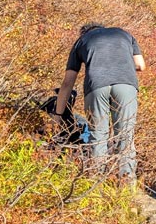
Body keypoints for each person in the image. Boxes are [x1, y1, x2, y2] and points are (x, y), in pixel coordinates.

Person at [54, 22, 145, 182]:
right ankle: (127, 185)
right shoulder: (124, 34)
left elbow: (68, 83)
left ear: (84, 33)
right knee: (125, 136)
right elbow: (140, 65)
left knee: (97, 136)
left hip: (96, 86)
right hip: (125, 84)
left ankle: (95, 185)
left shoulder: (81, 41)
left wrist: (58, 114)